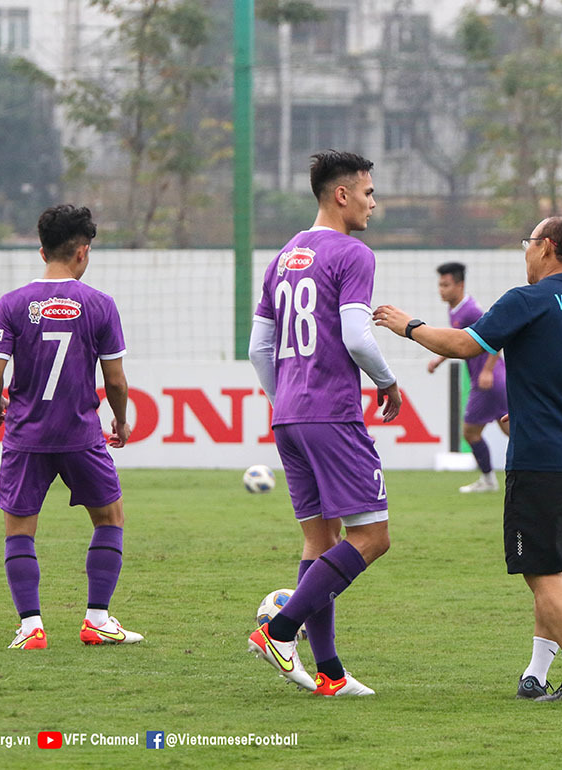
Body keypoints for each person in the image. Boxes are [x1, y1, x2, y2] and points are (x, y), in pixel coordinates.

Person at [374, 216, 562, 703]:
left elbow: (465, 344)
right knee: (559, 570)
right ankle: (535, 675)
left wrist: (409, 325)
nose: (524, 251)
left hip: (543, 459)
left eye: (528, 242)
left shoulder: (528, 299)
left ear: (548, 248)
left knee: (541, 572)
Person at [248, 150, 401, 697]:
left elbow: (258, 347)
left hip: (288, 417)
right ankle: (280, 629)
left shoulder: (284, 254)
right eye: (368, 192)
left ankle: (330, 673)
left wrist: (283, 396)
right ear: (342, 195)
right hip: (332, 413)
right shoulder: (352, 254)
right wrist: (386, 381)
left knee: (320, 540)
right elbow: (359, 337)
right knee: (373, 537)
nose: (372, 202)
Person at [0, 204, 143, 650]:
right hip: (80, 435)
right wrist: (122, 420)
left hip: (26, 436)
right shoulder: (100, 305)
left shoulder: (11, 304)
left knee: (20, 530)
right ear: (82, 253)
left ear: (41, 251)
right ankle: (97, 619)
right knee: (110, 518)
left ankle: (31, 627)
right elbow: (114, 379)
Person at [427, 262, 509, 493]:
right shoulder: (455, 309)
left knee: (471, 432)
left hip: (489, 382)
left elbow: (496, 338)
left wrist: (486, 370)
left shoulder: (470, 310)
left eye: (446, 285)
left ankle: (490, 480)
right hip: (490, 380)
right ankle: (532, 473)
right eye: (440, 285)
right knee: (510, 431)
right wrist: (439, 359)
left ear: (460, 285)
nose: (441, 289)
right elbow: (458, 341)